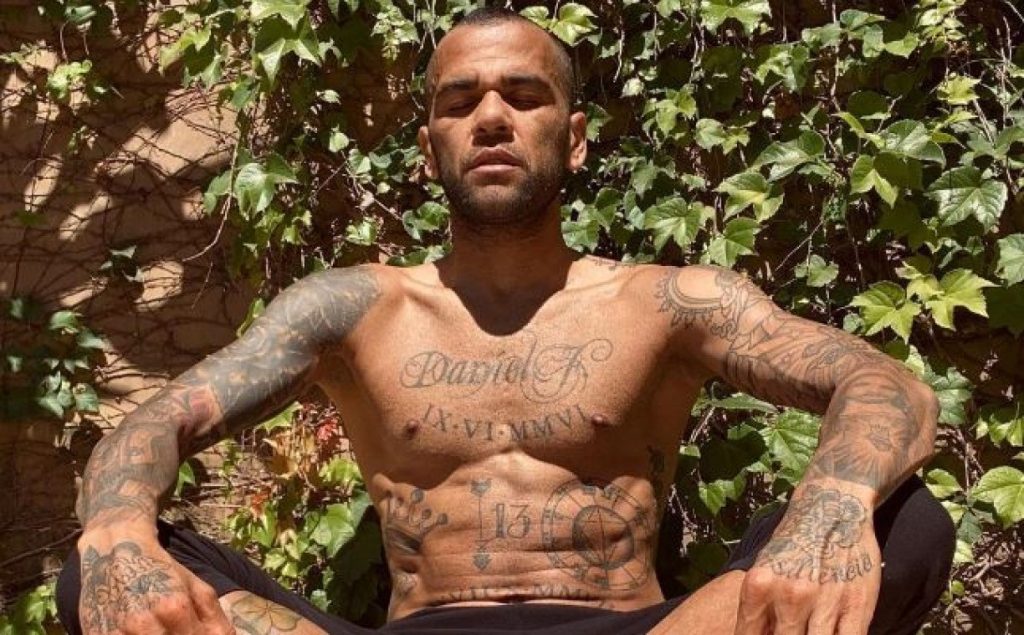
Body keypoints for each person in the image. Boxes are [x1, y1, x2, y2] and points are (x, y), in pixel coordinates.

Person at [56, 7, 955, 635]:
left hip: (640, 629)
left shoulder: (666, 301)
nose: (490, 117)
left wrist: (830, 502)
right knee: (105, 568)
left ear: (575, 137)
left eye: (524, 96)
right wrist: (120, 534)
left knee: (902, 523)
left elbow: (884, 385)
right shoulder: (354, 307)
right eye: (459, 102)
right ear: (429, 150)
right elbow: (158, 421)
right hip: (417, 628)